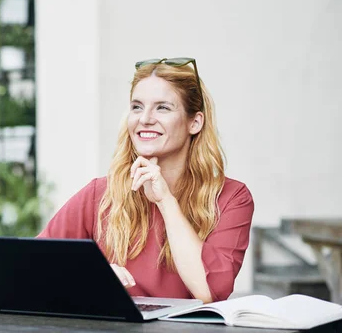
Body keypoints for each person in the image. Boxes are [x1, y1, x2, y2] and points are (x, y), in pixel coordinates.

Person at [37, 58, 254, 303]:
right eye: (137, 107)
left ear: (195, 122)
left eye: (163, 107)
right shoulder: (100, 194)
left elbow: (208, 292)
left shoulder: (232, 198)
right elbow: (32, 267)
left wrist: (165, 202)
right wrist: (89, 275)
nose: (145, 119)